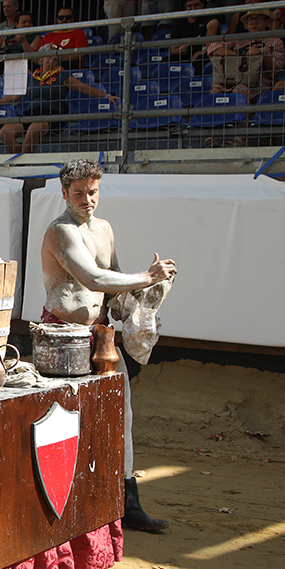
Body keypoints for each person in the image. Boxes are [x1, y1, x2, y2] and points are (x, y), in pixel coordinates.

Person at [40, 158, 176, 532]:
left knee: (121, 414)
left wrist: (143, 294)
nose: (87, 199)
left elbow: (111, 282)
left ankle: (127, 500)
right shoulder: (60, 232)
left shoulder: (105, 229)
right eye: (79, 193)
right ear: (64, 193)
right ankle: (67, 504)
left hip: (99, 334)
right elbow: (94, 277)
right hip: (62, 336)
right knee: (66, 418)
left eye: (93, 192)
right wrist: (146, 276)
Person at [0, 45, 118, 154]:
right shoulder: (32, 78)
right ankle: (21, 160)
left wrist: (106, 96)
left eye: (56, 59)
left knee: (34, 128)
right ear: (41, 59)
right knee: (5, 131)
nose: (52, 61)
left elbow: (84, 88)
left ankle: (21, 166)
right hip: (31, 114)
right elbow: (16, 96)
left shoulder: (63, 75)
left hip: (52, 115)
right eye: (50, 57)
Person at [207, 9, 285, 103]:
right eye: (250, 19)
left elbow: (277, 69)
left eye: (258, 18)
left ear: (267, 22)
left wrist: (262, 54)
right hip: (232, 79)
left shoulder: (275, 41)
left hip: (259, 82)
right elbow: (212, 47)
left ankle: (243, 117)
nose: (254, 22)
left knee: (239, 90)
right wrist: (239, 56)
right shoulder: (239, 39)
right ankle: (216, 117)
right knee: (216, 90)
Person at [168, 0, 219, 73]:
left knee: (200, 61)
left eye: (196, 5)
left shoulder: (210, 19)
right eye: (189, 6)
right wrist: (179, 50)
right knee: (166, 61)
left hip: (204, 54)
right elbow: (173, 49)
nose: (193, 9)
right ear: (185, 6)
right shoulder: (179, 23)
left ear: (203, 4)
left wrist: (203, 51)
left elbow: (210, 40)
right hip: (185, 55)